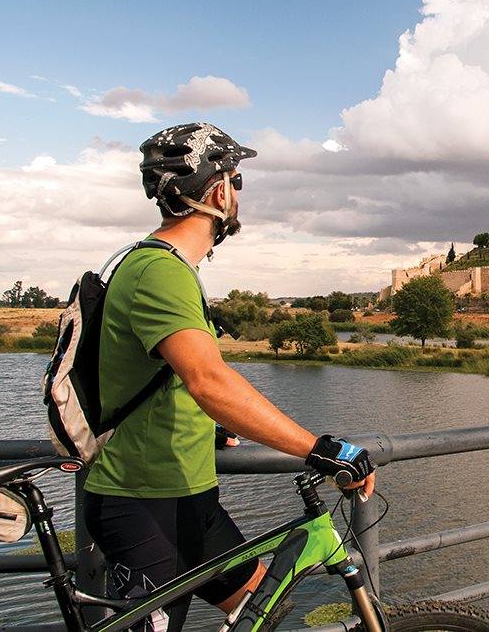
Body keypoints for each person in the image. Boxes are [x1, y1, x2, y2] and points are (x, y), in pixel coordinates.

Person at [83, 122, 375, 631]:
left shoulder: (166, 268)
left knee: (258, 607)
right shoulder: (160, 271)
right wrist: (320, 448)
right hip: (143, 504)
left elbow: (168, 378)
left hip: (189, 497)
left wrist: (205, 426)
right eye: (236, 180)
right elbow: (208, 381)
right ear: (217, 190)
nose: (238, 193)